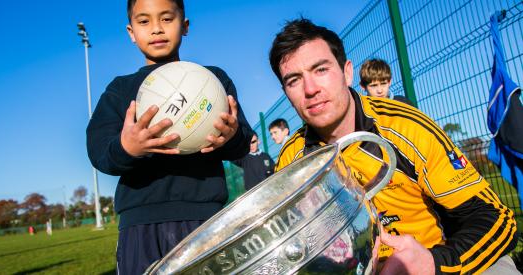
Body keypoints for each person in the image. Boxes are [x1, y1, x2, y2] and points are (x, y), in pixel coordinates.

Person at [269, 18, 518, 274]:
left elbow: (497, 221)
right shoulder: (292, 161)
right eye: (294, 80)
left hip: (440, 257)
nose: (310, 89)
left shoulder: (405, 127)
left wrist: (435, 262)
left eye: (321, 70)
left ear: (347, 72)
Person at [86, 0, 252, 273]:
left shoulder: (212, 80)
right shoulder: (119, 90)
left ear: (184, 26)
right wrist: (127, 147)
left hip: (205, 218)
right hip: (140, 224)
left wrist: (231, 137)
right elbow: (99, 151)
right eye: (144, 21)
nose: (156, 29)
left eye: (166, 18)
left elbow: (242, 142)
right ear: (131, 32)